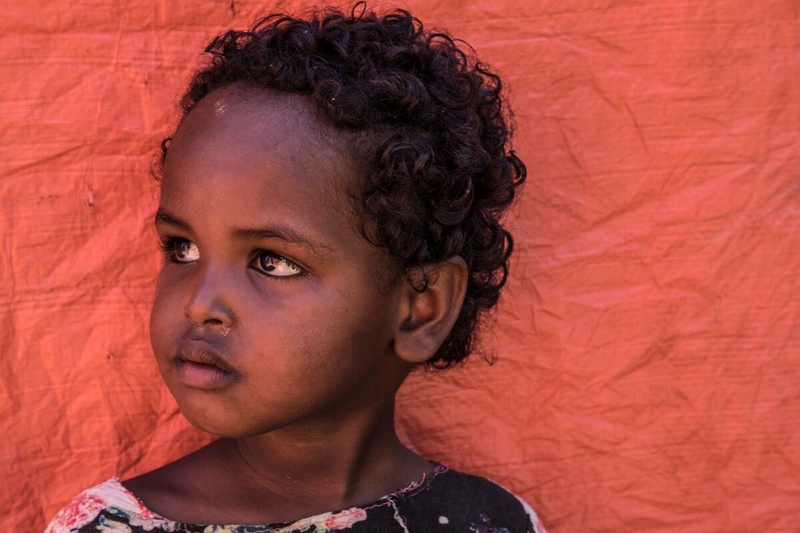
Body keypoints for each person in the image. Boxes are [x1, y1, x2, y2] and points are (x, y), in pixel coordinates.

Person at [45, 3, 545, 532]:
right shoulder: (108, 526)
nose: (199, 302)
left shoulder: (492, 523)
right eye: (181, 249)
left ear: (422, 307)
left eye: (271, 262)